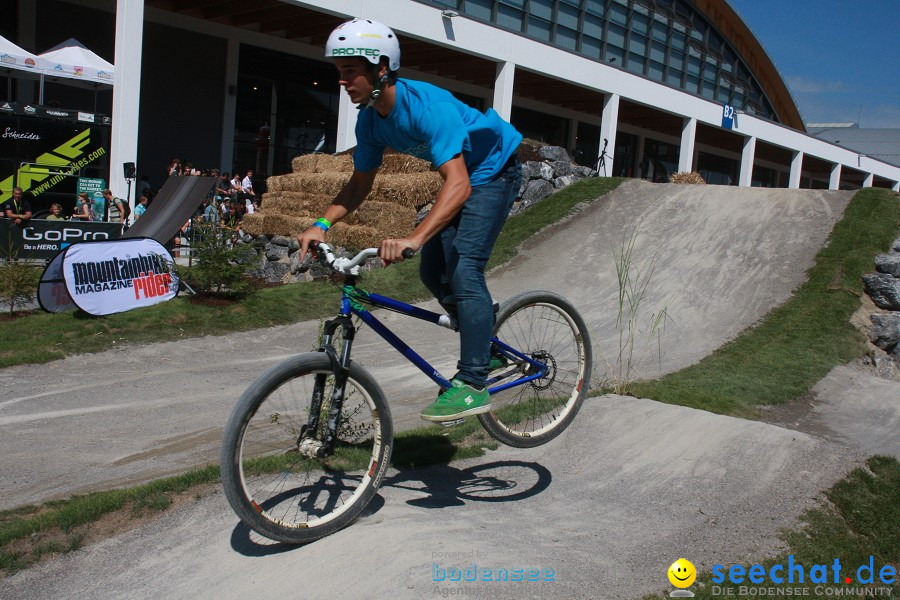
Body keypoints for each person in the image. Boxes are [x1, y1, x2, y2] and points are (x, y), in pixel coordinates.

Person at [298, 18, 523, 423]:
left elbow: (459, 185)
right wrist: (321, 224)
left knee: (464, 269)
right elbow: (359, 184)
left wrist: (414, 237)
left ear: (381, 69)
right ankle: (483, 344)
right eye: (339, 72)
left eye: (350, 72)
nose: (342, 81)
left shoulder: (428, 109)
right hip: (464, 176)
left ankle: (473, 383)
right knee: (433, 272)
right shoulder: (370, 121)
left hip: (494, 170)